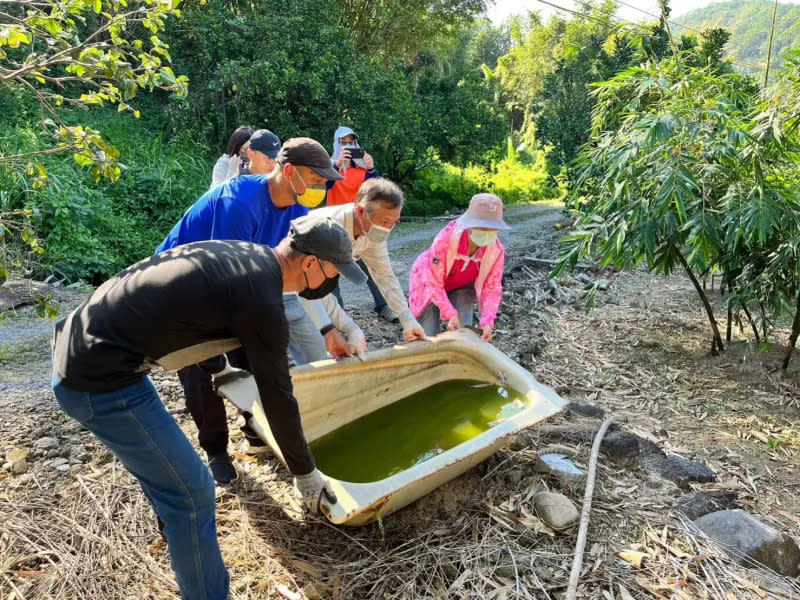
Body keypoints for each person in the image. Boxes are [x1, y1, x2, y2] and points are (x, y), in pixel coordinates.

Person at [52, 214, 366, 600]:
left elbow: (188, 312)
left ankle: (180, 538)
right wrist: (305, 473)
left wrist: (219, 367)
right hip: (97, 380)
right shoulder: (263, 300)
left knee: (171, 481)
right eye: (335, 271)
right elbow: (277, 395)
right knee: (192, 492)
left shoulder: (249, 259)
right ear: (311, 263)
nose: (333, 282)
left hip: (85, 345)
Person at [157, 137, 363, 483]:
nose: (319, 189)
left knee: (256, 358)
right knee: (202, 371)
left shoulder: (298, 211)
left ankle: (257, 429)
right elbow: (221, 277)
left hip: (239, 284)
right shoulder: (239, 204)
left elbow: (303, 274)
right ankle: (217, 450)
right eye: (315, 181)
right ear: (288, 172)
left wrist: (328, 330)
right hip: (186, 287)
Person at [312, 177, 426, 342]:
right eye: (385, 222)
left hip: (316, 282)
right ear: (360, 212)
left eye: (394, 223)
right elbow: (316, 288)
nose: (388, 229)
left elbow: (383, 274)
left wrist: (407, 318)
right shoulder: (329, 228)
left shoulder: (373, 231)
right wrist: (348, 328)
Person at [408, 193, 509, 342]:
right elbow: (433, 281)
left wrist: (487, 322)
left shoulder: (496, 251)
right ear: (470, 225)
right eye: (482, 227)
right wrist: (449, 313)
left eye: (492, 228)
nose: (487, 232)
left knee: (464, 335)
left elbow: (492, 288)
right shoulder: (446, 239)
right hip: (428, 285)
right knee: (426, 338)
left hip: (462, 288)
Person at [326, 126, 397, 323]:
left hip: (361, 225)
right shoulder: (328, 166)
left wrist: (372, 169)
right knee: (330, 273)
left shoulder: (362, 169)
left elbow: (378, 192)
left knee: (372, 267)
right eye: (343, 142)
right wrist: (336, 165)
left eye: (351, 142)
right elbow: (323, 185)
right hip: (335, 225)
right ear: (336, 143)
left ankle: (384, 305)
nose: (348, 146)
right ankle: (337, 315)